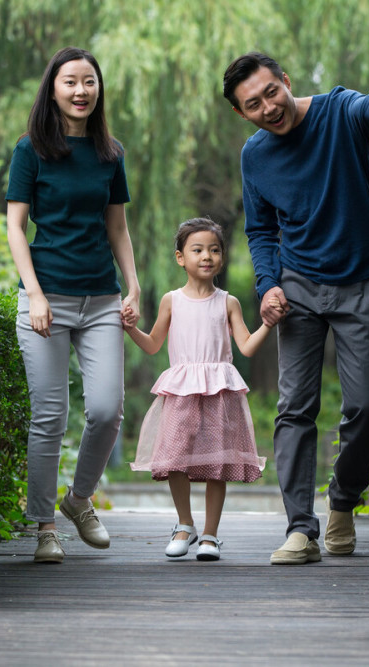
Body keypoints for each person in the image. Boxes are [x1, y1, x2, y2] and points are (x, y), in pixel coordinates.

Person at [222, 52, 369, 565]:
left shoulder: (337, 111)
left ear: (285, 81)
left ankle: (342, 501)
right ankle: (300, 528)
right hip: (298, 287)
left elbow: (368, 107)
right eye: (253, 104)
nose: (269, 107)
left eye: (271, 92)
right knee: (295, 407)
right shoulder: (255, 156)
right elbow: (260, 230)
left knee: (365, 407)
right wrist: (268, 286)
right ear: (241, 113)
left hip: (362, 281)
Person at [6, 46, 141, 564]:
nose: (81, 91)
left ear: (98, 89)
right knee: (50, 416)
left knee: (106, 410)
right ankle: (45, 526)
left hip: (101, 298)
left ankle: (79, 499)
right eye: (70, 82)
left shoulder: (110, 153)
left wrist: (133, 287)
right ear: (53, 89)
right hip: (46, 299)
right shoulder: (31, 150)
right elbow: (16, 227)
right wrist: (35, 295)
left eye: (89, 81)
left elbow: (117, 227)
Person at [121, 218, 271, 561]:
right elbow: (153, 344)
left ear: (222, 257)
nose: (207, 256)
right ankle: (184, 524)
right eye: (198, 250)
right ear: (180, 257)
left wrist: (268, 324)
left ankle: (210, 535)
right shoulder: (171, 301)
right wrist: (130, 329)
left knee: (217, 462)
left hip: (219, 392)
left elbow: (246, 347)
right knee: (175, 457)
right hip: (182, 391)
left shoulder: (228, 302)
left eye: (214, 250)